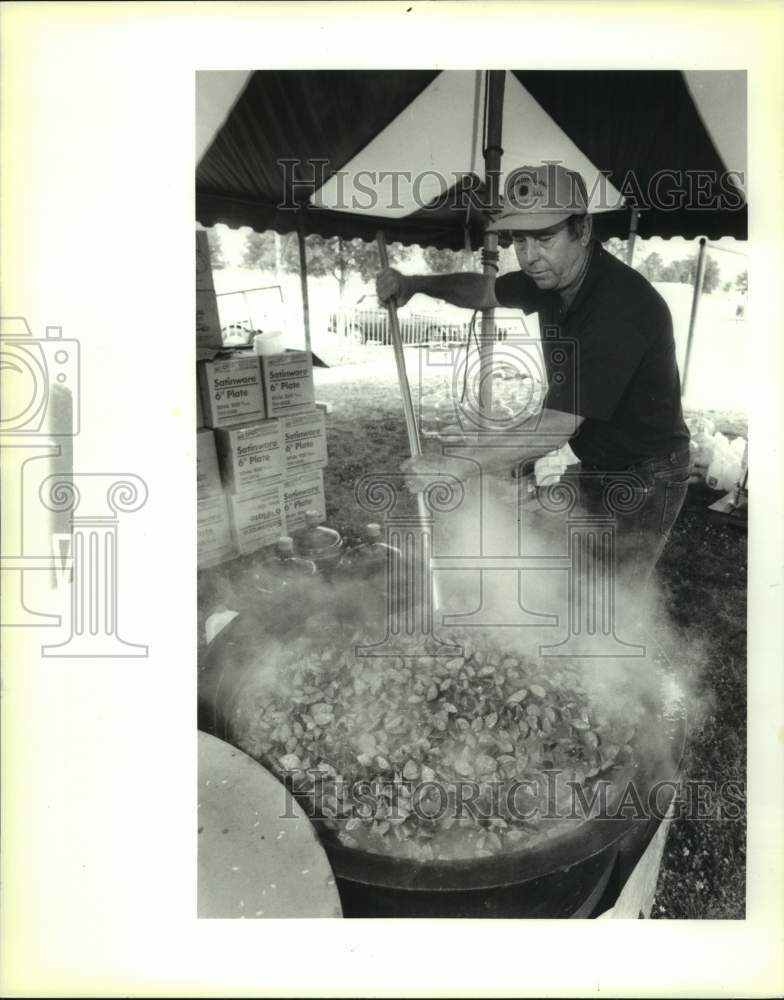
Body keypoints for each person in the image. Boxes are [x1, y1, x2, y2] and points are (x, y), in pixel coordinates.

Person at [376, 163, 691, 594]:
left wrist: (457, 466)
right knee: (578, 567)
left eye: (544, 238)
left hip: (648, 472)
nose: (528, 256)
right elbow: (483, 290)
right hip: (595, 457)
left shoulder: (622, 305)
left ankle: (612, 656)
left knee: (615, 591)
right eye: (517, 239)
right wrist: (416, 283)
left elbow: (557, 424)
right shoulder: (551, 278)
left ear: (583, 229)